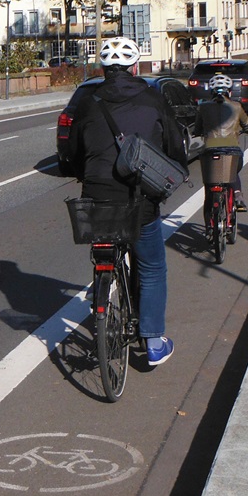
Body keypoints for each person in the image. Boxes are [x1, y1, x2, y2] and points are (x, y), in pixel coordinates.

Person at [67, 37, 188, 366]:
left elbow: (73, 152)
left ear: (103, 69)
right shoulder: (152, 98)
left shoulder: (89, 103)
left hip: (96, 198)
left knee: (104, 249)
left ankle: (104, 293)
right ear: (135, 67)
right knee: (151, 266)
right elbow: (175, 145)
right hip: (140, 199)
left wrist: (85, 175)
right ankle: (153, 341)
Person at [194, 74, 248, 213]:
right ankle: (237, 194)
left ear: (211, 91)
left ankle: (210, 227)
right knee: (231, 171)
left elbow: (197, 129)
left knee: (209, 186)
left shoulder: (203, 107)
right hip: (232, 150)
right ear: (229, 91)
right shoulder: (236, 107)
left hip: (210, 150)